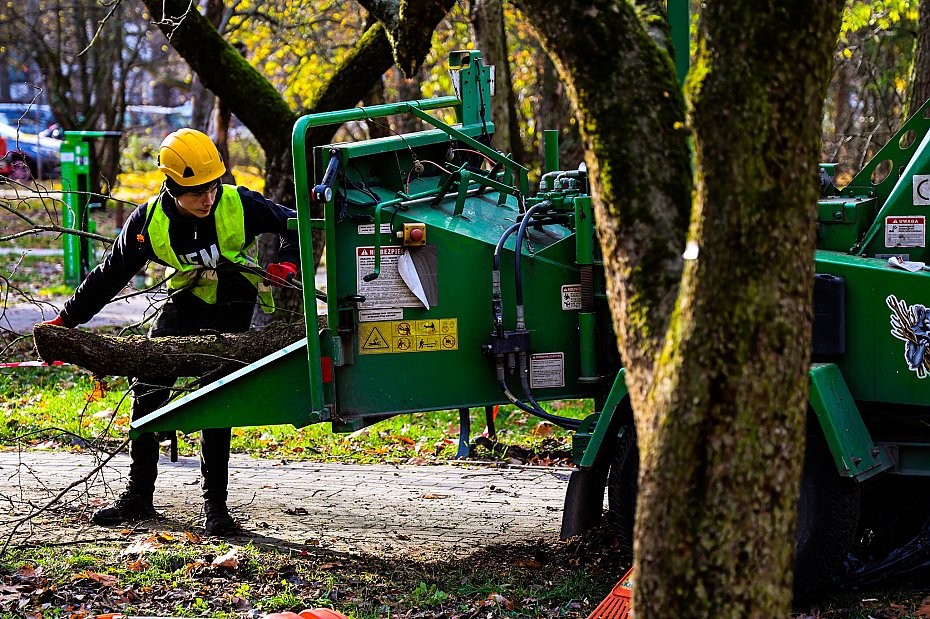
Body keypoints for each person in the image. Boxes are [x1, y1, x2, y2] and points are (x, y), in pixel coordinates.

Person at [42, 128, 299, 535]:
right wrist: (66, 323)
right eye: (197, 192)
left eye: (212, 188)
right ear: (172, 186)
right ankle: (139, 496)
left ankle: (215, 507)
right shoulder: (148, 222)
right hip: (185, 306)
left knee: (218, 398)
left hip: (233, 307)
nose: (208, 198)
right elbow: (109, 276)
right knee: (148, 387)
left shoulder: (239, 203)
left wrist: (286, 263)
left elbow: (296, 225)